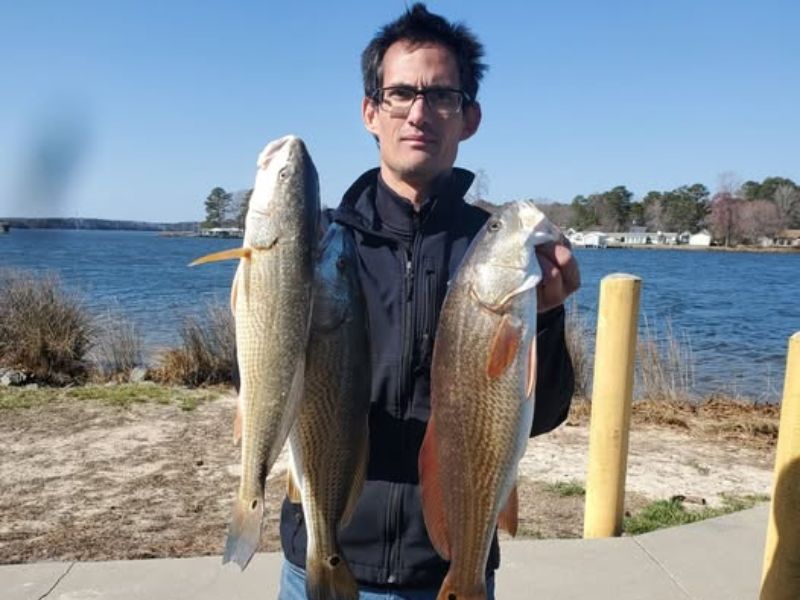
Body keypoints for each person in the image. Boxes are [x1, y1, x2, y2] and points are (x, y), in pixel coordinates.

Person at [278, 4, 580, 598]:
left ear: (470, 118)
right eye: (400, 93)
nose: (420, 112)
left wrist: (545, 317)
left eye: (443, 96)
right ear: (371, 111)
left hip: (449, 564)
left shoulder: (496, 252)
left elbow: (540, 413)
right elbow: (270, 381)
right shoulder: (321, 248)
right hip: (321, 550)